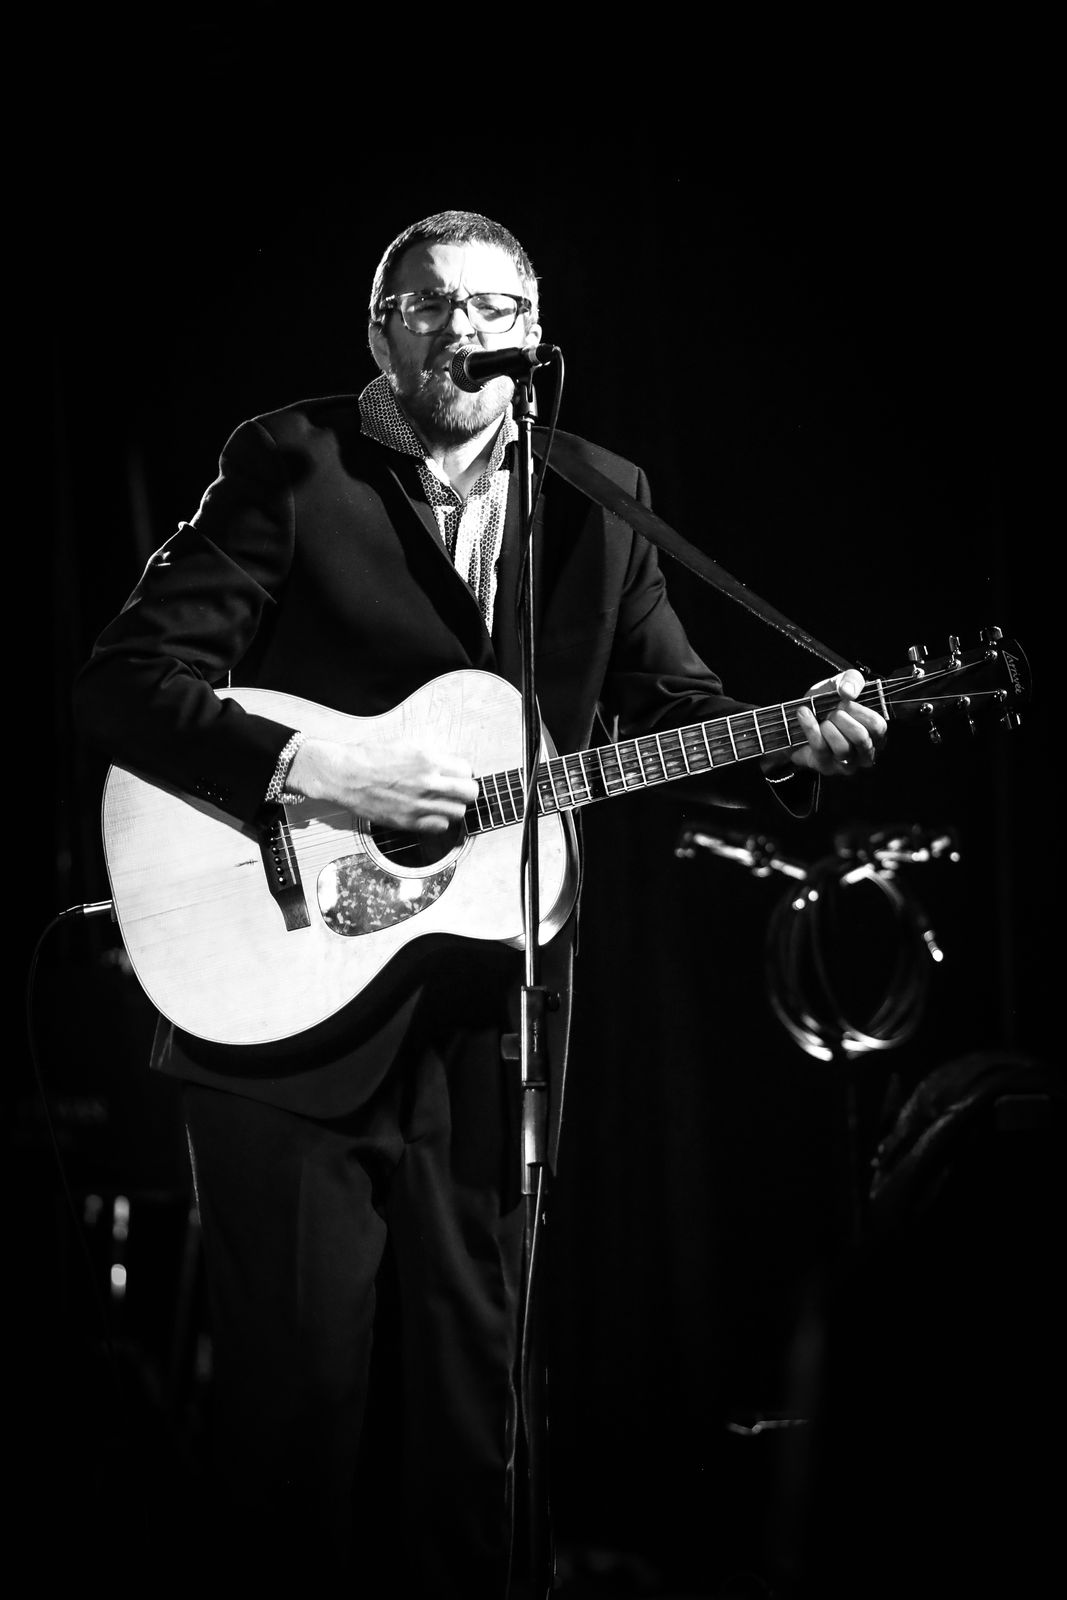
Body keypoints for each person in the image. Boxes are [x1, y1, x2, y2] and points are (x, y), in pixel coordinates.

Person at [72, 209, 886, 1595]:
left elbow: (673, 709)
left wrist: (787, 747)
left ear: (535, 333)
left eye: (495, 306)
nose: (466, 329)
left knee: (473, 1429)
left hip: (489, 1022)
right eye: (432, 304)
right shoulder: (293, 463)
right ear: (382, 332)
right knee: (295, 1426)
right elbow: (124, 686)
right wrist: (326, 769)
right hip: (282, 1009)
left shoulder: (600, 496)